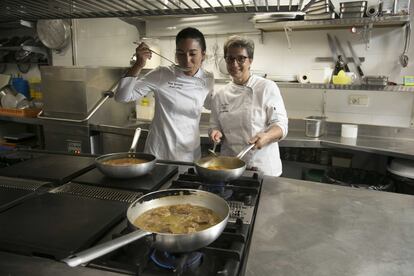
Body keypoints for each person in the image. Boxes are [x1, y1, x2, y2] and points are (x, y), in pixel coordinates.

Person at [115, 27, 214, 162]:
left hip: (189, 155)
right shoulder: (161, 74)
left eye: (193, 54)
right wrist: (138, 64)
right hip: (158, 154)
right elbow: (122, 96)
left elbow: (210, 104)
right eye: (180, 53)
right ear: (175, 54)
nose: (186, 60)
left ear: (203, 55)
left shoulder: (208, 78)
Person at [209, 36, 288, 176]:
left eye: (241, 58)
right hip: (230, 166)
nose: (234, 64)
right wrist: (215, 132)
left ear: (250, 60)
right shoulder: (220, 94)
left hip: (263, 167)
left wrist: (267, 136)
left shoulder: (266, 87)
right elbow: (214, 125)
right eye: (230, 58)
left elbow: (281, 125)